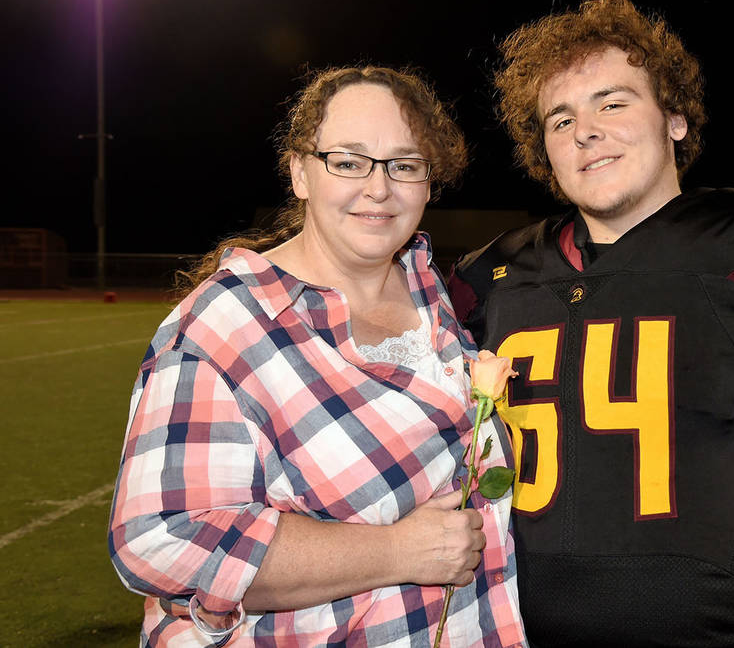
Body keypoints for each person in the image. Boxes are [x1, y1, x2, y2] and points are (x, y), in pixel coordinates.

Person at [449, 0, 734, 647]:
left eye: (612, 103)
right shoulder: (490, 278)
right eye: (561, 119)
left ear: (676, 118)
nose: (585, 131)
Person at [109, 66, 527, 647]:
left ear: (429, 182)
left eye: (404, 165)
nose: (379, 188)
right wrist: (395, 551)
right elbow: (160, 538)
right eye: (349, 162)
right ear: (300, 173)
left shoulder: (432, 289)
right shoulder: (226, 324)